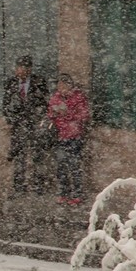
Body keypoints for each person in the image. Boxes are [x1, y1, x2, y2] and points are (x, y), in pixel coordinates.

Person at [2, 55, 49, 196]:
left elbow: (44, 103)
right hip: (18, 125)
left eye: (23, 68)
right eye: (18, 68)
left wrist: (37, 119)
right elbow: (5, 103)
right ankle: (19, 187)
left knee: (37, 155)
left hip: (34, 124)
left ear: (29, 70)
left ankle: (38, 186)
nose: (20, 72)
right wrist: (10, 120)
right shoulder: (10, 82)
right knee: (19, 156)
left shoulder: (39, 82)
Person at [47, 73, 90, 206]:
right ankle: (63, 192)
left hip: (74, 136)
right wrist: (54, 114)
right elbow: (50, 113)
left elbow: (84, 115)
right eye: (59, 85)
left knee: (74, 165)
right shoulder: (56, 98)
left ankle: (77, 194)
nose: (61, 88)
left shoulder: (78, 97)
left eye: (63, 85)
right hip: (60, 136)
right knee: (61, 166)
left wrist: (67, 114)